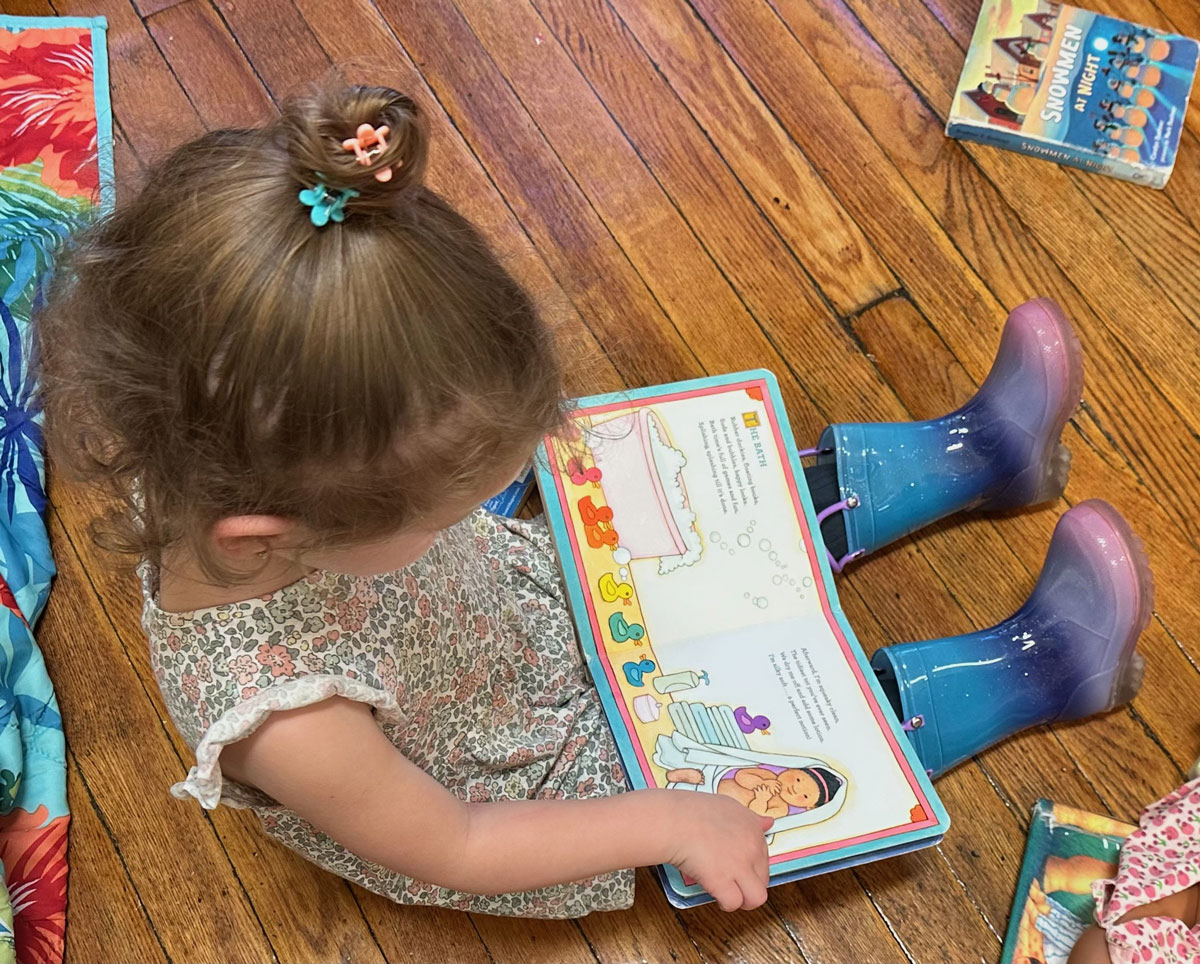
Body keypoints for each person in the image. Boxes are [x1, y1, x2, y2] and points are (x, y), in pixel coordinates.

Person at [37, 83, 1153, 918]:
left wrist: (454, 513)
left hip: (506, 623)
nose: (475, 494)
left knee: (723, 534)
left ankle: (981, 453)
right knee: (789, 751)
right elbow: (460, 844)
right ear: (270, 534)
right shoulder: (288, 725)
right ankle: (1040, 667)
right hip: (531, 777)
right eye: (444, 501)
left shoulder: (202, 425)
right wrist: (672, 817)